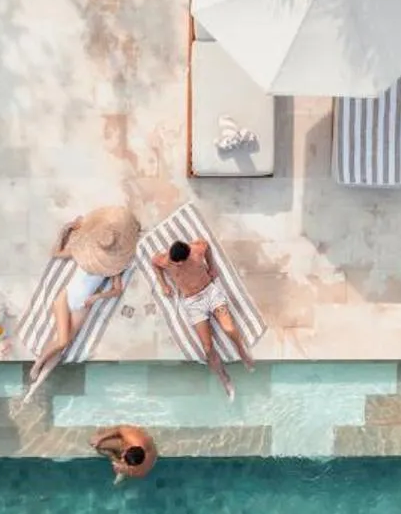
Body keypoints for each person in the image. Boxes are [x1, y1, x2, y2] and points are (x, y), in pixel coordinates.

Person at [25, 207, 140, 397]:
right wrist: (67, 229)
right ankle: (38, 364)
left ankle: (35, 386)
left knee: (62, 344)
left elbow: (117, 290)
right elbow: (55, 253)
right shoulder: (87, 251)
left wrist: (98, 296)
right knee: (61, 341)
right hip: (66, 296)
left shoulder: (115, 265)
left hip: (82, 305)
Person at [149, 236, 255, 398]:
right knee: (207, 348)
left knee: (229, 328)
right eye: (174, 262)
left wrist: (211, 267)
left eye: (178, 263)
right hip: (193, 303)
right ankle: (224, 378)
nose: (176, 265)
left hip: (210, 293)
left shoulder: (197, 250)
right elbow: (154, 263)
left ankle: (241, 351)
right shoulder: (165, 260)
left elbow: (206, 245)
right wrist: (163, 284)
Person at [93, 426, 157, 484]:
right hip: (134, 442)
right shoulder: (134, 439)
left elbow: (122, 468)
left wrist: (120, 467)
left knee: (100, 446)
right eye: (124, 458)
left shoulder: (140, 471)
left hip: (135, 460)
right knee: (98, 439)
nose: (122, 460)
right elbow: (119, 429)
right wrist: (100, 438)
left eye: (126, 462)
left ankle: (120, 469)